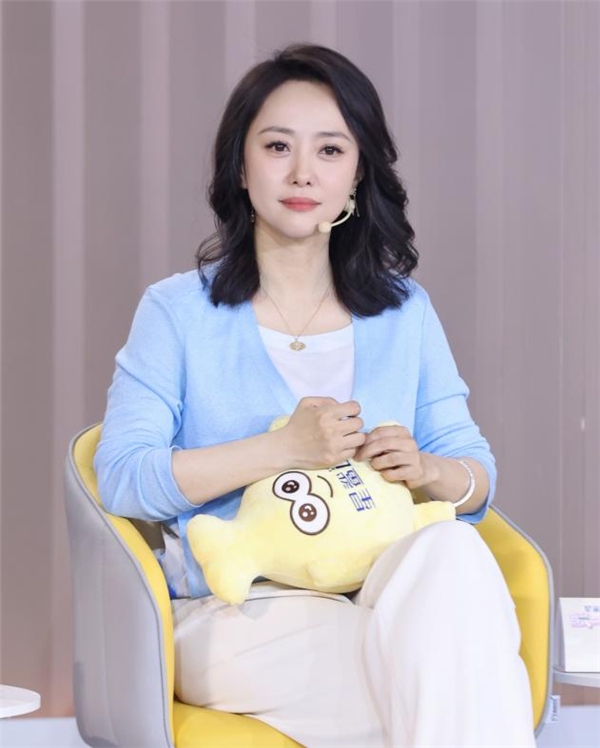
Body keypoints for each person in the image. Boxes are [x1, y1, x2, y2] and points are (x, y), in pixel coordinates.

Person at [95, 44, 535, 748]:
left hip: (382, 591)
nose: (303, 172)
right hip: (238, 613)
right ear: (240, 166)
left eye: (330, 150)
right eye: (278, 146)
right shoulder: (176, 313)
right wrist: (281, 449)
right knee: (453, 674)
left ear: (357, 173)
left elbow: (476, 477)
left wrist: (428, 469)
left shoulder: (405, 313)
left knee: (453, 555)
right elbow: (122, 478)